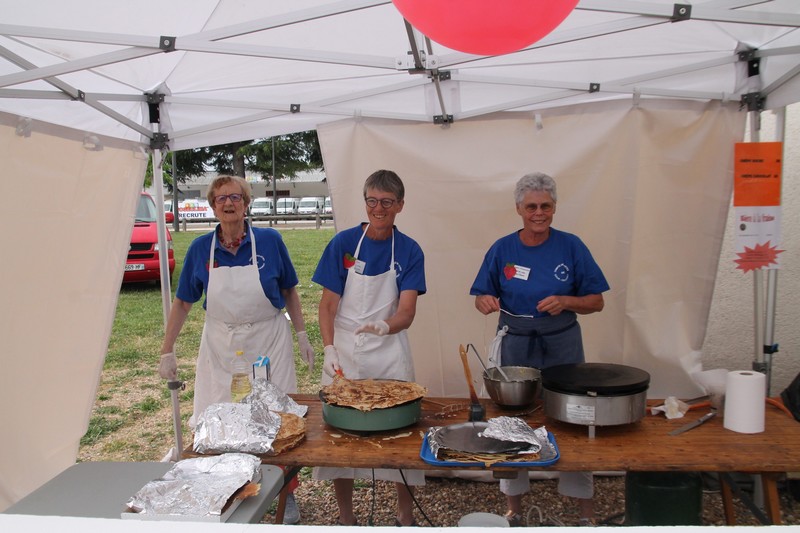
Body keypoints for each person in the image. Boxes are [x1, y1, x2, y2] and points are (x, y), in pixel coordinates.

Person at [157, 175, 314, 524]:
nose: (228, 204)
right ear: (213, 206)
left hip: (268, 342)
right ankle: (229, 492)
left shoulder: (270, 241)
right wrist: (167, 350)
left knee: (276, 423)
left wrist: (301, 333)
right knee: (220, 421)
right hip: (221, 346)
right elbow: (183, 302)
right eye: (220, 199)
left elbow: (289, 290)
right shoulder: (201, 248)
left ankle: (284, 496)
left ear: (246, 204)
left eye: (235, 198)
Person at [470, 172, 609, 527]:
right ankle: (514, 507)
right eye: (531, 206)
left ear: (555, 208)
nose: (538, 213)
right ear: (518, 208)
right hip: (516, 345)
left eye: (545, 206)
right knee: (513, 424)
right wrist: (485, 301)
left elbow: (596, 302)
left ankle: (584, 508)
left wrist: (566, 300)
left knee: (573, 419)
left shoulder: (571, 246)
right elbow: (482, 296)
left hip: (562, 344)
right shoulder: (503, 249)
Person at [311, 169, 426, 527]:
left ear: (400, 206)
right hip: (345, 349)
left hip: (390, 351)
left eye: (387, 203)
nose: (379, 208)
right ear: (365, 202)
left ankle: (404, 515)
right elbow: (328, 305)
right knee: (339, 438)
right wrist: (329, 348)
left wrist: (383, 325)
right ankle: (346, 517)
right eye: (373, 201)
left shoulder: (409, 250)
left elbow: (406, 312)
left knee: (402, 437)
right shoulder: (343, 244)